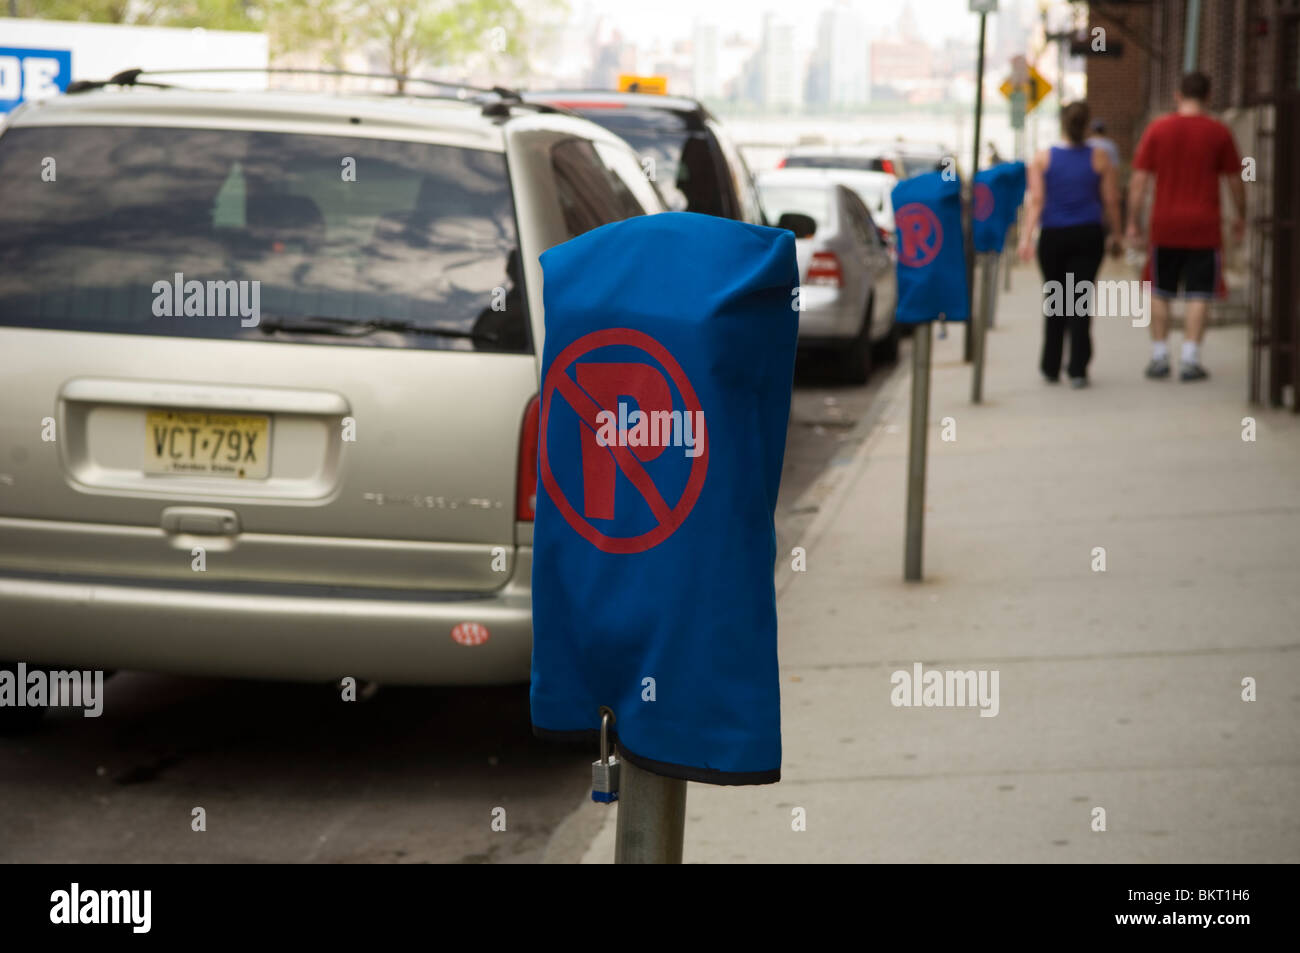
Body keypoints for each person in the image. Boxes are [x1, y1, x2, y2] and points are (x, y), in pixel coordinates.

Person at [1126, 71, 1246, 382]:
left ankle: (1159, 356)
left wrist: (1132, 222)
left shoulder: (1158, 129)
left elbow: (1138, 182)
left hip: (1164, 224)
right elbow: (1235, 180)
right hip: (1204, 226)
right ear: (1209, 97)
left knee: (1159, 289)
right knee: (1199, 292)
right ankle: (1191, 359)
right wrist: (1240, 216)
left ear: (1178, 95)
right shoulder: (1219, 132)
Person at [1019, 101, 1123, 388]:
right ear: (1086, 124)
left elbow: (1036, 201)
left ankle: (1051, 365)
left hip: (1053, 236)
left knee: (1055, 299)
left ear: (1062, 124)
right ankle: (1078, 367)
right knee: (1079, 300)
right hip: (1089, 235)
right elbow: (1111, 200)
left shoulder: (1043, 158)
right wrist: (1116, 234)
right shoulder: (1100, 157)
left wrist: (1026, 239)